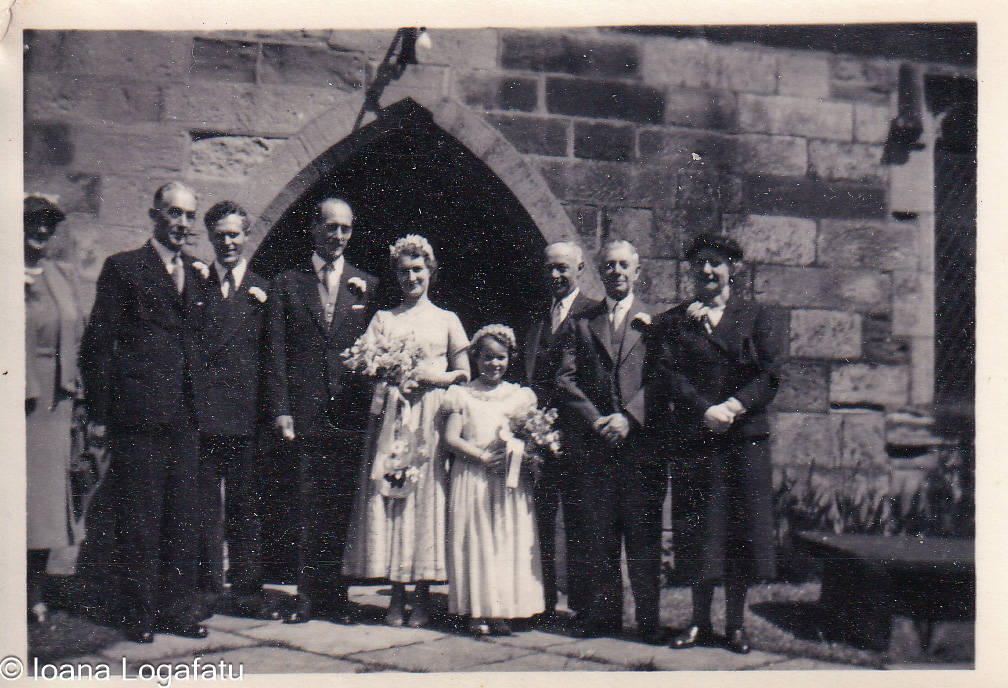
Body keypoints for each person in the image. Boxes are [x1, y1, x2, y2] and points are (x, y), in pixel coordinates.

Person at [78, 181, 210, 643]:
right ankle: (139, 613)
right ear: (155, 215)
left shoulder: (198, 274)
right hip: (139, 414)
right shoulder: (125, 268)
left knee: (182, 515)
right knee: (140, 516)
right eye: (174, 213)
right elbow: (98, 345)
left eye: (189, 216)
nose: (182, 224)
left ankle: (177, 610)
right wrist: (99, 413)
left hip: (185, 415)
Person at [646, 233, 784, 655]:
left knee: (739, 532)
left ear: (734, 269)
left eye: (716, 263)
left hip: (744, 438)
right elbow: (667, 373)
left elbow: (769, 372)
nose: (707, 271)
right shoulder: (674, 321)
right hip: (696, 437)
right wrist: (704, 409)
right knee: (698, 530)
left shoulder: (760, 316)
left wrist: (734, 406)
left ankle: (735, 626)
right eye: (699, 263)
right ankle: (698, 622)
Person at [342, 235, 469, 628]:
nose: (411, 277)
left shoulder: (447, 319)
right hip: (394, 418)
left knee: (426, 501)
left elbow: (465, 373)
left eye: (418, 269)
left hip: (431, 420)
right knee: (395, 499)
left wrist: (433, 376)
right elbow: (364, 365)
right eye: (403, 271)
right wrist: (388, 376)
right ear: (395, 275)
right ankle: (396, 596)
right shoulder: (385, 318)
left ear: (431, 272)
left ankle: (423, 596)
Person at [264, 198, 378, 625]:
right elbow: (275, 352)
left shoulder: (366, 285)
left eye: (345, 228)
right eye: (331, 226)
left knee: (342, 506)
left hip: (349, 415)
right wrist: (281, 409)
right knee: (305, 505)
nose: (338, 236)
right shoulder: (287, 283)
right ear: (314, 228)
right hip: (305, 412)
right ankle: (307, 596)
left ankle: (336, 597)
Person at [556, 239, 665, 644]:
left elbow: (662, 380)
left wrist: (630, 418)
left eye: (623, 265)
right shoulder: (582, 321)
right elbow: (565, 379)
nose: (616, 272)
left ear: (637, 271)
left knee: (643, 538)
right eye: (609, 265)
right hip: (596, 446)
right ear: (600, 272)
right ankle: (604, 618)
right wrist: (597, 420)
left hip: (640, 449)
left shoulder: (654, 323)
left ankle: (649, 622)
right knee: (599, 536)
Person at [192, 201, 279, 620]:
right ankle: (205, 591)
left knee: (247, 508)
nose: (228, 242)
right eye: (220, 235)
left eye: (235, 234)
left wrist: (274, 412)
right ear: (210, 237)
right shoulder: (196, 284)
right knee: (204, 508)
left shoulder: (264, 289)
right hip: (204, 416)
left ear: (246, 236)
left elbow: (274, 358)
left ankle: (247, 592)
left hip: (248, 418)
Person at [442, 325, 545, 636]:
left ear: (510, 358)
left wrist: (522, 453)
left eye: (501, 358)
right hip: (473, 476)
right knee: (476, 542)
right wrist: (482, 457)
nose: (494, 364)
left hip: (508, 480)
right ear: (476, 358)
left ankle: (501, 611)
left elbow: (531, 437)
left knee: (503, 540)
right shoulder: (461, 395)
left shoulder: (519, 396)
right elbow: (450, 438)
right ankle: (476, 611)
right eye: (487, 357)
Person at [519, 242, 596, 624]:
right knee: (540, 520)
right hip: (540, 438)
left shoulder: (594, 312)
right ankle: (543, 602)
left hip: (580, 438)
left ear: (579, 269)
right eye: (550, 267)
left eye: (563, 268)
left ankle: (581, 606)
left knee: (580, 521)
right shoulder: (536, 315)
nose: (555, 275)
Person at [25, 195, 82, 625]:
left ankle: (34, 591)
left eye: (48, 223)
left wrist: (78, 391)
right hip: (16, 396)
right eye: (32, 222)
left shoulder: (61, 274)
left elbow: (77, 333)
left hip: (55, 401)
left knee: (44, 501)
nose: (41, 230)